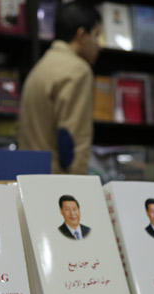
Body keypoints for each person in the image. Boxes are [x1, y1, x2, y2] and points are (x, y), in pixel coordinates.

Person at [17, 1, 102, 174]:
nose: (99, 45)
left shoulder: (41, 66)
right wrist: (78, 186)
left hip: (28, 176)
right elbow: (73, 139)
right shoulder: (78, 70)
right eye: (96, 35)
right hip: (57, 182)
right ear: (81, 35)